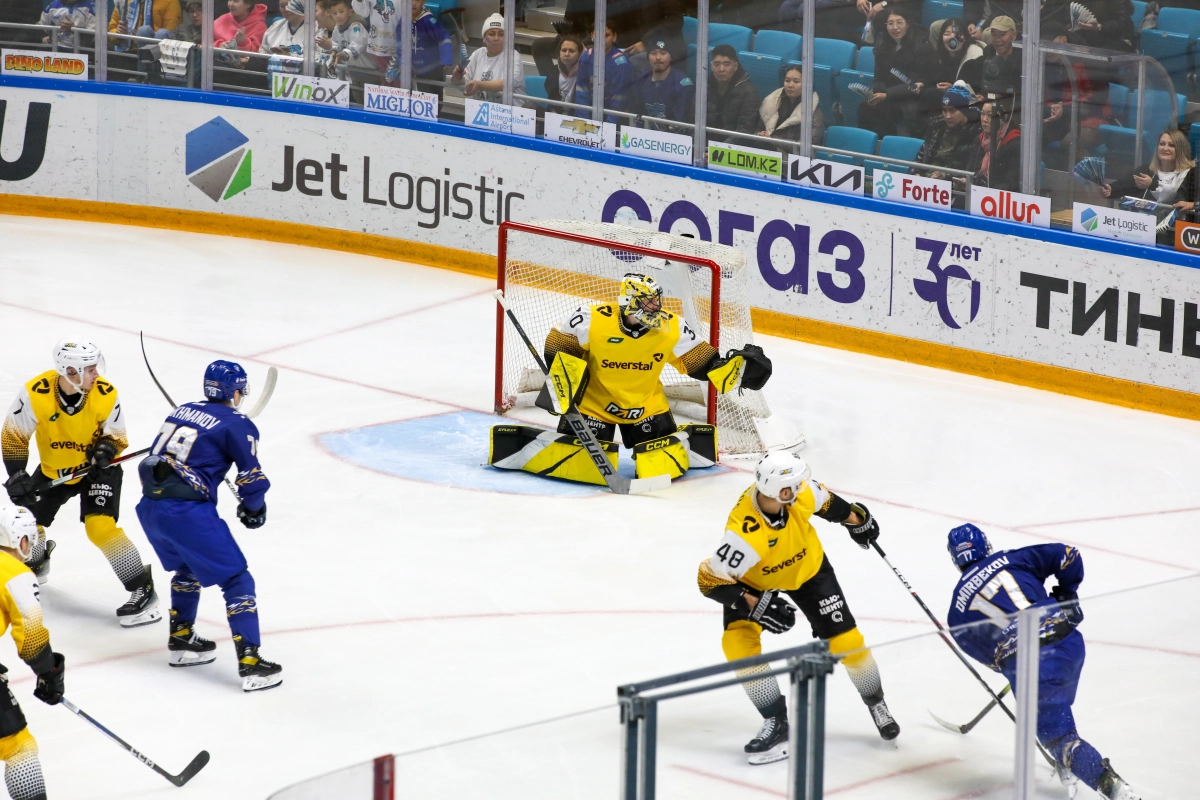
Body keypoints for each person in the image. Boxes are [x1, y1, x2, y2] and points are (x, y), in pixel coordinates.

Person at [696, 452, 898, 764]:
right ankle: (776, 721)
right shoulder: (744, 534)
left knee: (849, 643)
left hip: (808, 570)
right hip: (754, 581)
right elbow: (708, 579)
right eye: (794, 484)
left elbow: (830, 504)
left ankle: (876, 702)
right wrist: (755, 603)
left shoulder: (800, 493)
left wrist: (858, 522)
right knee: (736, 643)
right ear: (781, 492)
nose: (802, 485)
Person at [488, 274, 772, 484]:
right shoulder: (592, 319)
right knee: (582, 468)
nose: (654, 307)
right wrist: (563, 380)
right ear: (628, 302)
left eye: (656, 301)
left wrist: (731, 369)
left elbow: (700, 361)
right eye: (647, 302)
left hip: (646, 408)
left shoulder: (672, 328)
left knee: (659, 468)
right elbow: (559, 345)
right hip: (593, 407)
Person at [945, 524, 1143, 800]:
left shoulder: (956, 614)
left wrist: (1016, 668)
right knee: (1058, 707)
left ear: (955, 559)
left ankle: (1116, 790)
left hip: (1033, 668)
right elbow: (1068, 555)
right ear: (986, 546)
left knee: (1062, 738)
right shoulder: (1011, 559)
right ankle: (1067, 760)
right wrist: (1067, 595)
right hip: (1069, 645)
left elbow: (992, 660)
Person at [135, 361, 281, 693]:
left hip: (150, 508)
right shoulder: (237, 424)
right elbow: (252, 480)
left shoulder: (183, 410)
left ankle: (183, 639)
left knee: (188, 568)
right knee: (237, 580)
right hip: (186, 512)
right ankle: (251, 662)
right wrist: (253, 508)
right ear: (235, 391)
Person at [2, 339, 159, 628]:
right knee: (24, 516)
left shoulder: (105, 393)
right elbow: (14, 435)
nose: (96, 374)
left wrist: (106, 450)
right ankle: (36, 560)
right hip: (55, 470)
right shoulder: (36, 392)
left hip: (98, 471)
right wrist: (17, 475)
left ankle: (143, 589)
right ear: (70, 371)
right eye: (89, 369)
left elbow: (116, 436)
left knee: (100, 528)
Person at [0, 505, 65, 800]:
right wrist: (50, 672)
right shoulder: (15, 572)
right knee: (17, 745)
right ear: (18, 540)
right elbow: (32, 640)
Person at [1101, 129, 1197, 245]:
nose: (1165, 148)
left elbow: (1171, 194)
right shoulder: (1149, 170)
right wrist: (1111, 189)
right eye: (1162, 144)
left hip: (1176, 234)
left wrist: (1152, 185)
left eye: (1171, 145)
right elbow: (1126, 183)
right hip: (1144, 229)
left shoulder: (1190, 173)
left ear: (1180, 149)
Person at [858, 7, 936, 138]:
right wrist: (875, 92)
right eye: (890, 23)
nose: (895, 27)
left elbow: (914, 83)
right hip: (887, 93)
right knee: (865, 108)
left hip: (911, 96)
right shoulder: (882, 42)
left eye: (899, 22)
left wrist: (887, 95)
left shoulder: (922, 45)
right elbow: (879, 77)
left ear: (908, 23)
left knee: (892, 111)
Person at [452, 13, 526, 107]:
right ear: (484, 38)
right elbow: (463, 82)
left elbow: (509, 83)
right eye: (491, 34)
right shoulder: (478, 54)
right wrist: (457, 77)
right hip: (481, 113)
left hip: (511, 114)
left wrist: (480, 85)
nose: (496, 38)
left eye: (501, 34)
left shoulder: (513, 56)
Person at [383, 0, 452, 97]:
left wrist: (446, 59)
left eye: (417, 0)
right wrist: (402, 63)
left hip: (433, 70)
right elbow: (400, 44)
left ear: (423, 1)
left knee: (435, 98)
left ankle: (437, 112)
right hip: (416, 70)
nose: (413, 3)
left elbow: (443, 36)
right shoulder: (403, 21)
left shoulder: (428, 20)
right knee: (422, 97)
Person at [916, 82, 981, 182]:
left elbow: (970, 171)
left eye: (953, 110)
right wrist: (916, 173)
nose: (948, 116)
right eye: (944, 111)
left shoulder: (975, 133)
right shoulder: (935, 127)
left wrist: (947, 177)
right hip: (926, 181)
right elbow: (921, 157)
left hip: (953, 187)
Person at [627, 38, 695, 131]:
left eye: (663, 53)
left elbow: (680, 122)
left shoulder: (683, 84)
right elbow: (636, 114)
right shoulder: (641, 80)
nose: (658, 57)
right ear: (648, 57)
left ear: (671, 57)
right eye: (653, 53)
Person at [576, 21, 633, 119]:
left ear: (614, 37)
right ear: (592, 36)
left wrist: (608, 127)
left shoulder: (620, 63)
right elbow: (581, 92)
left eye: (606, 35)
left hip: (614, 117)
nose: (602, 39)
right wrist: (583, 121)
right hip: (590, 112)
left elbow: (618, 101)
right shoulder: (585, 57)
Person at [758, 63, 824, 148]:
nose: (790, 85)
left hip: (791, 158)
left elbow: (804, 148)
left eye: (796, 81)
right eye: (787, 80)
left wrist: (772, 140)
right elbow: (757, 128)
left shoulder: (815, 114)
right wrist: (760, 134)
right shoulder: (772, 101)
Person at [707, 45, 761, 140]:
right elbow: (693, 122)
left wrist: (716, 152)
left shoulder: (749, 92)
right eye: (716, 64)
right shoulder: (703, 87)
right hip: (704, 147)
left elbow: (744, 130)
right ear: (711, 65)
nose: (721, 69)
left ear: (735, 66)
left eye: (727, 64)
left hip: (732, 150)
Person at [972, 99, 1021, 190]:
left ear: (1002, 119)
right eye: (983, 114)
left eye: (990, 115)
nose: (984, 119)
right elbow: (970, 171)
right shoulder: (978, 139)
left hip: (999, 197)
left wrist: (985, 189)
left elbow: (1011, 184)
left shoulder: (1014, 143)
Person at [929, 17, 984, 97]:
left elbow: (975, 96)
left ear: (965, 38)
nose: (952, 38)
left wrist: (953, 89)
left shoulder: (975, 56)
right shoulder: (940, 53)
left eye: (958, 35)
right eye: (947, 34)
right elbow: (931, 81)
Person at [317, 0, 372, 80]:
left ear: (350, 12)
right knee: (356, 91)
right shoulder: (337, 28)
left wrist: (345, 54)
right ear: (330, 14)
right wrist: (334, 51)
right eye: (334, 13)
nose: (338, 16)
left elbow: (357, 44)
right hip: (353, 72)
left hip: (369, 71)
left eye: (341, 12)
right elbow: (336, 43)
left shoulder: (356, 26)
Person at [260, 0, 315, 73]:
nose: (286, 9)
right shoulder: (274, 28)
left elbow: (319, 63)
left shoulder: (317, 28)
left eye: (291, 5)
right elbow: (263, 55)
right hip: (274, 79)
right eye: (282, 6)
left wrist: (289, 58)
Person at [108, 0, 179, 45]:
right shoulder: (124, 1)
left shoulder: (170, 2)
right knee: (143, 31)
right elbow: (111, 29)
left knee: (144, 31)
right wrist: (120, 34)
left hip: (158, 50)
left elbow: (171, 33)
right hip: (128, 49)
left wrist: (141, 35)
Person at [545, 34, 583, 107]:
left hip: (575, 116)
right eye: (564, 50)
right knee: (529, 105)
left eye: (571, 51)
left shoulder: (585, 74)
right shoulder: (553, 71)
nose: (567, 54)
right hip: (555, 114)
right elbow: (552, 99)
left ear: (579, 54)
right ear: (559, 52)